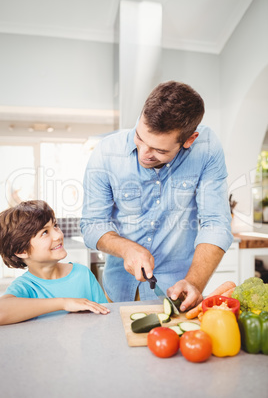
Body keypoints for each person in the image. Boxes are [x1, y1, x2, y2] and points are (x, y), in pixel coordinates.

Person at [80, 81, 233, 311]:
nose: (144, 154)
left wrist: (194, 282)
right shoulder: (105, 152)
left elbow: (216, 224)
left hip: (178, 290)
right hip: (119, 290)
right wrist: (127, 248)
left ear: (189, 139)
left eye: (159, 150)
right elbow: (92, 225)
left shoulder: (207, 149)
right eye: (140, 138)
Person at [0, 200, 109, 325]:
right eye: (45, 232)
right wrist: (63, 303)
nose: (58, 235)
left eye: (55, 226)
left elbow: (105, 319)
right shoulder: (25, 287)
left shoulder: (82, 274)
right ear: (21, 250)